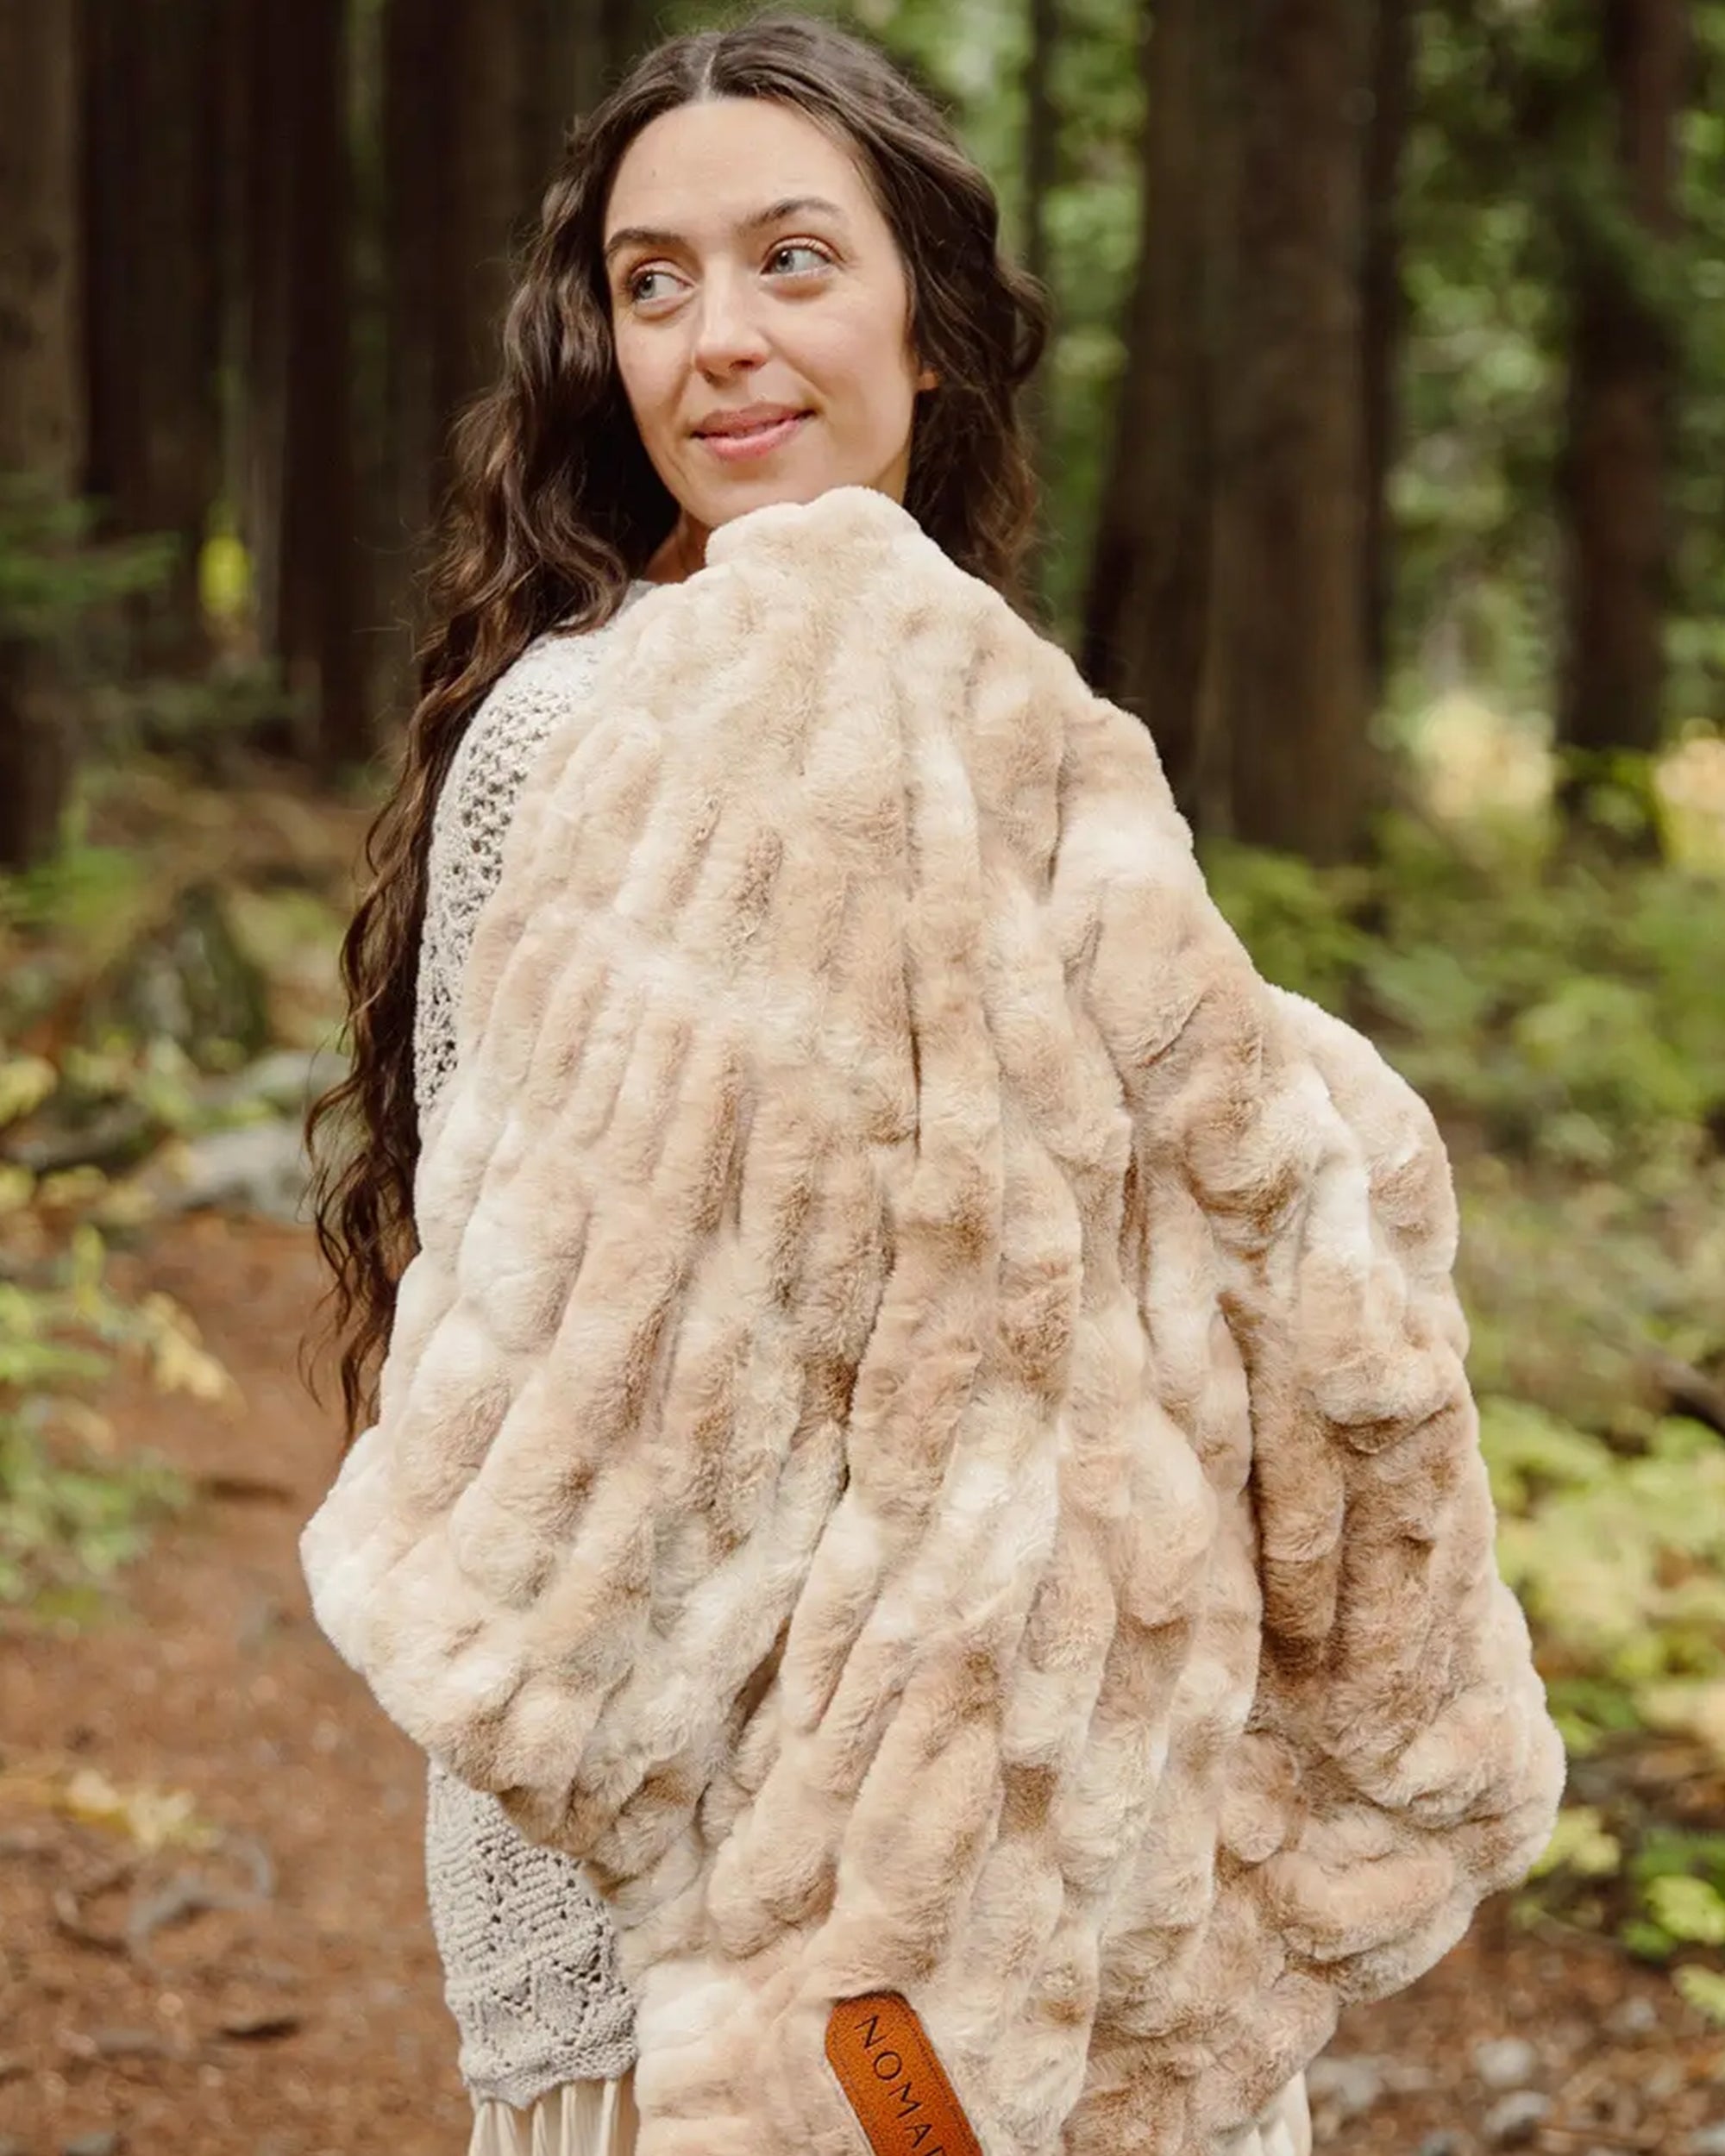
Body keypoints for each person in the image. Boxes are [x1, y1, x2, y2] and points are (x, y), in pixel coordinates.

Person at [304, 15, 1561, 2156]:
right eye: (652, 281)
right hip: (660, 1793)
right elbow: (505, 1332)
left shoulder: (1008, 716)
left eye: (794, 259)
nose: (718, 337)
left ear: (932, 326)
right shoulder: (571, 726)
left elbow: (1129, 1234)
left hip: (1041, 1777)